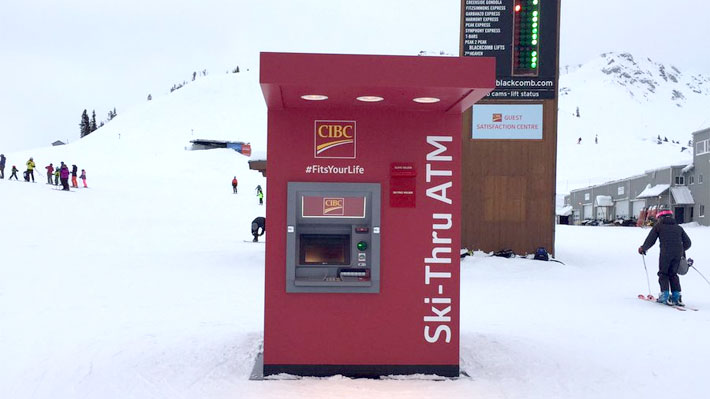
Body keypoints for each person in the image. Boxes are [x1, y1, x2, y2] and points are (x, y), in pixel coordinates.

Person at [638, 207, 692, 306]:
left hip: (666, 253)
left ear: (660, 217)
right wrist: (680, 249)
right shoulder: (678, 227)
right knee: (673, 274)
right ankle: (677, 296)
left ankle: (665, 295)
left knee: (663, 273)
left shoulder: (659, 226)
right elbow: (688, 243)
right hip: (677, 254)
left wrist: (643, 248)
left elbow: (651, 240)